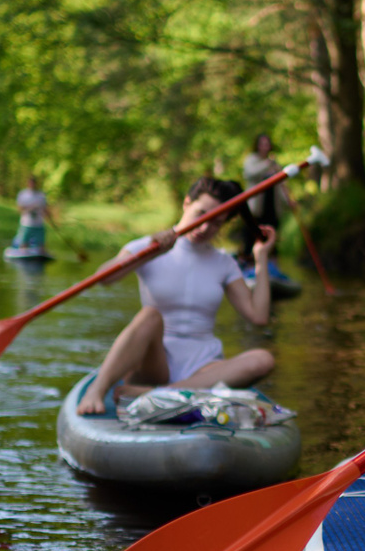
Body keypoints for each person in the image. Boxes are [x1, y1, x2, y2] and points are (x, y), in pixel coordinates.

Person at [77, 176, 280, 414]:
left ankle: (163, 393)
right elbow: (103, 278)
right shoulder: (148, 245)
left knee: (263, 359)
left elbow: (258, 316)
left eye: (216, 223)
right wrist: (150, 252)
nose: (204, 228)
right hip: (155, 363)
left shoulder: (224, 262)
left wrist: (261, 258)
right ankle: (97, 390)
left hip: (203, 367)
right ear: (186, 203)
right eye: (201, 214)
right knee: (150, 315)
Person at [239, 133, 278, 266]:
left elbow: (281, 186)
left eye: (267, 144)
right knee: (250, 235)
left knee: (270, 236)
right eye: (262, 144)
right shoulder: (252, 160)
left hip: (271, 208)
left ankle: (270, 265)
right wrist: (268, 163)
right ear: (257, 145)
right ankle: (247, 261)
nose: (265, 147)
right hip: (255, 208)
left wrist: (288, 202)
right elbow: (250, 174)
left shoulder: (274, 164)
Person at [12, 175, 50, 253]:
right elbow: (19, 209)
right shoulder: (23, 194)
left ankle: (40, 255)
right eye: (30, 183)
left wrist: (48, 216)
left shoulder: (41, 195)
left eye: (33, 183)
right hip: (26, 224)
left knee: (41, 245)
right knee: (24, 243)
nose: (32, 185)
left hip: (38, 224)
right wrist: (31, 208)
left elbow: (45, 209)